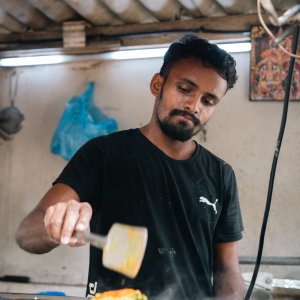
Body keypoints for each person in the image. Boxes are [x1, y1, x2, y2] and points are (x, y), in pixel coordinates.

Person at [16, 34, 245, 300]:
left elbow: (227, 269)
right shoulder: (103, 154)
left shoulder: (220, 174)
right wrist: (55, 224)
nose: (193, 106)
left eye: (208, 101)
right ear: (157, 84)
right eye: (184, 89)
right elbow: (26, 234)